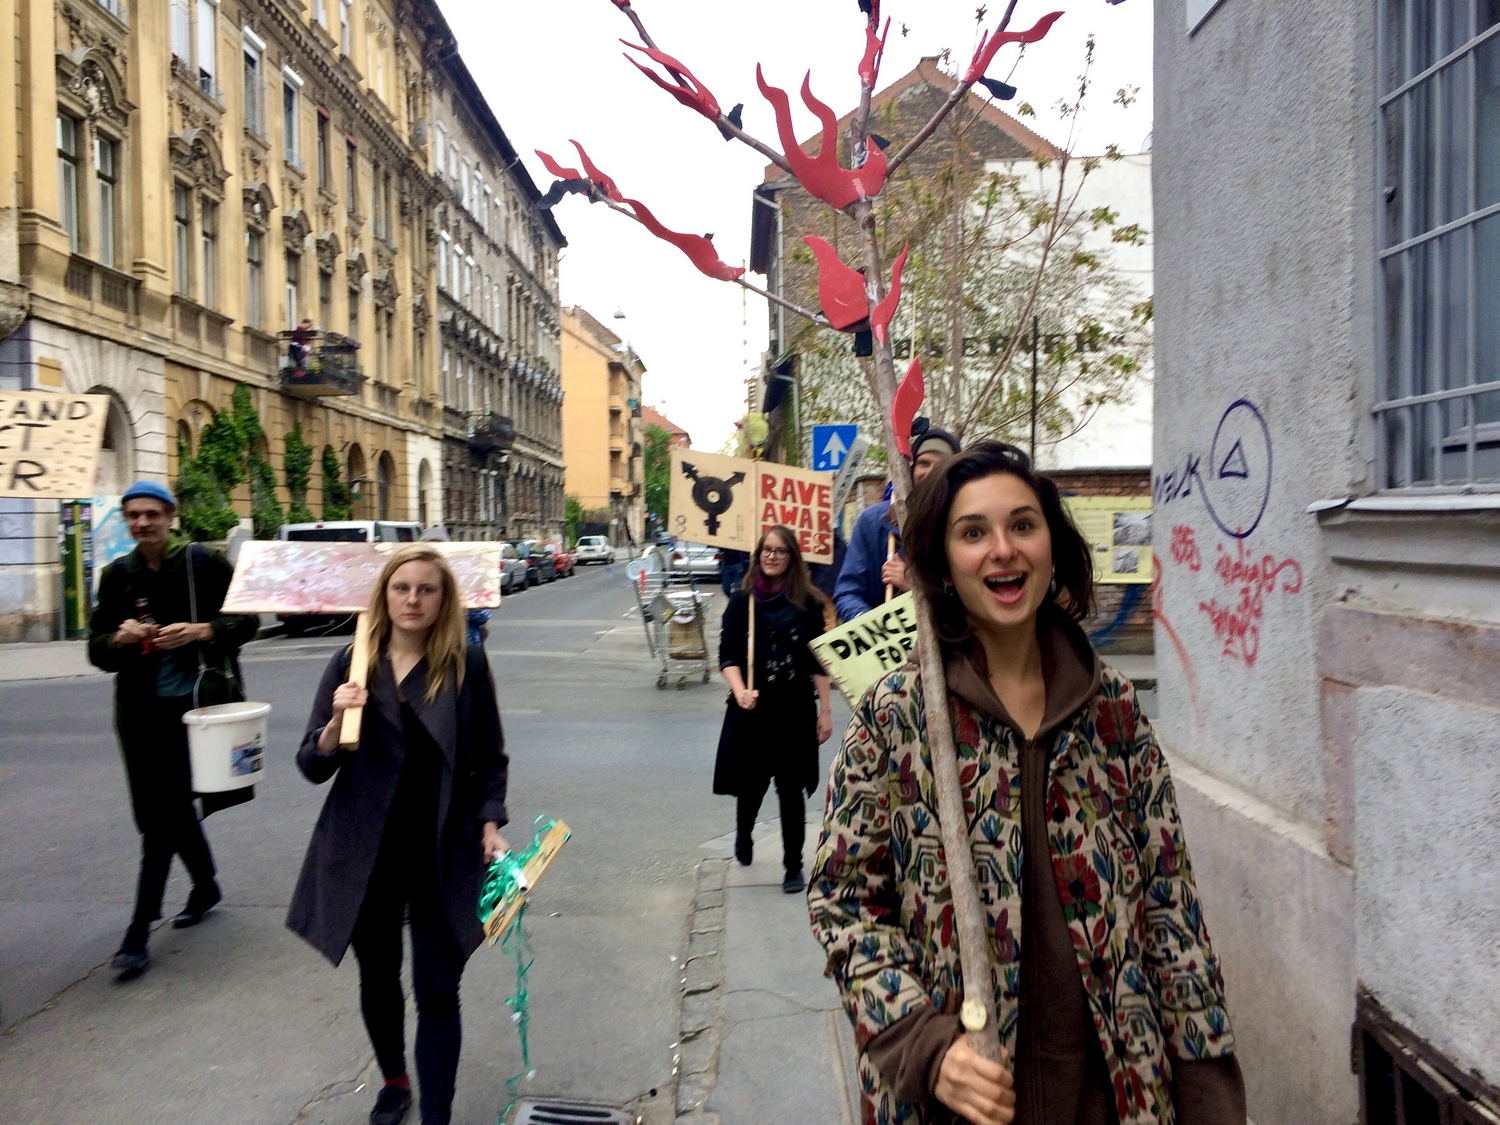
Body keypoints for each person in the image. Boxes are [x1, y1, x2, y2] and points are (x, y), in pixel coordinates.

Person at [809, 442, 1247, 1125]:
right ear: (943, 565)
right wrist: (925, 1046)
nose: (1003, 549)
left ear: (1051, 545)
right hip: (959, 1104)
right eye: (972, 532)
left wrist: (1207, 1090)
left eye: (1022, 524)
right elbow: (842, 901)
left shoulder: (1113, 712)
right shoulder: (896, 718)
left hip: (1116, 1096)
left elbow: (1171, 907)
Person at [286, 545, 510, 1125]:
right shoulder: (351, 662)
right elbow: (311, 764)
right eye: (401, 588)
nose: (413, 600)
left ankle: (437, 1113)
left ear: (444, 599)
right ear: (384, 596)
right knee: (379, 976)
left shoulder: (465, 664)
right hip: (367, 852)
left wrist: (489, 823)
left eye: (426, 589)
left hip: (442, 848)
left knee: (438, 987)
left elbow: (489, 757)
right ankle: (393, 1082)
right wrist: (335, 723)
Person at [87, 481, 260, 980]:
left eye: (152, 514)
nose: (142, 523)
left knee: (163, 815)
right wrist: (118, 639)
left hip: (200, 710)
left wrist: (203, 630)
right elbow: (96, 649)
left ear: (170, 516)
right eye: (133, 516)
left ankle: (138, 932)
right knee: (164, 812)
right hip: (143, 716)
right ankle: (205, 885)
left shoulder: (203, 563)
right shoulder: (118, 576)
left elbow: (247, 620)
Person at [713, 525, 835, 894]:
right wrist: (740, 691)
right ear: (758, 554)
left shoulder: (808, 604)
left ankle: (793, 865)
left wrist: (825, 711)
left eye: (780, 550)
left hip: (794, 709)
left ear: (792, 557)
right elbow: (727, 654)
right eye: (766, 549)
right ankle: (744, 834)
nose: (772, 556)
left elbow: (819, 660)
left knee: (790, 789)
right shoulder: (743, 601)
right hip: (753, 708)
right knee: (751, 786)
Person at [833, 425, 960, 622]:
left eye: (941, 464)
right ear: (911, 469)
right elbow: (847, 593)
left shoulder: (964, 526)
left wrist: (914, 587)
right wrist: (874, 628)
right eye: (924, 463)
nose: (930, 472)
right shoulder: (874, 522)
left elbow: (971, 604)